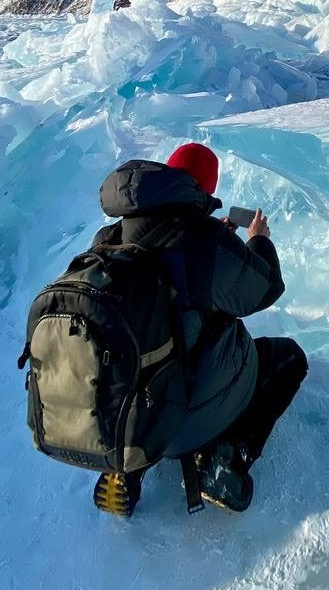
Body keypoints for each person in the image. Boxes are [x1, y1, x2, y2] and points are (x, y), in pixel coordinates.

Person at [90, 142, 308, 517]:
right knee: (287, 358)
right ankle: (225, 461)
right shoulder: (205, 243)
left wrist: (215, 239)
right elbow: (264, 288)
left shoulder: (109, 239)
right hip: (186, 411)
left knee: (153, 355)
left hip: (123, 411)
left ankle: (127, 466)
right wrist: (256, 241)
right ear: (204, 190)